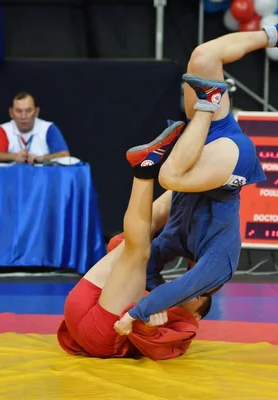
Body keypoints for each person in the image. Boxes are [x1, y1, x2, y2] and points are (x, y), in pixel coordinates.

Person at [113, 2, 278, 331]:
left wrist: (150, 290)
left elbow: (148, 262)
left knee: (204, 56)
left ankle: (276, 35)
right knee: (168, 176)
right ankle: (209, 102)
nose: (179, 306)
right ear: (201, 306)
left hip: (204, 151)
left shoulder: (175, 242)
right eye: (187, 308)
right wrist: (139, 313)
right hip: (230, 165)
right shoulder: (221, 265)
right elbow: (185, 286)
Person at [57, 121, 212, 360]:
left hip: (100, 335)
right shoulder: (158, 293)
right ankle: (188, 174)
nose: (193, 286)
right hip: (84, 306)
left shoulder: (187, 327)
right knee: (139, 237)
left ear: (199, 315)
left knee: (138, 250)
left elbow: (158, 348)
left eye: (200, 294)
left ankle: (145, 169)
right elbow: (118, 250)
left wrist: (148, 327)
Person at [0, 92, 70, 164]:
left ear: (36, 112)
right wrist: (14, 156)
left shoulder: (48, 128)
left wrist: (42, 158)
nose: (23, 116)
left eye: (28, 111)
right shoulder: (4, 129)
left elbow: (64, 155)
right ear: (11, 113)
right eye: (18, 111)